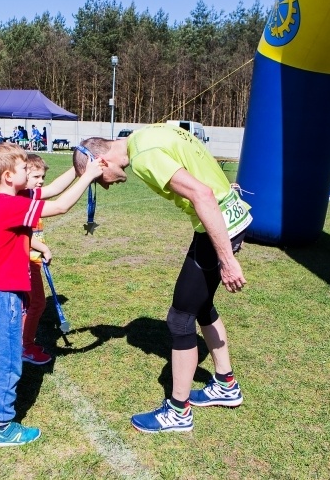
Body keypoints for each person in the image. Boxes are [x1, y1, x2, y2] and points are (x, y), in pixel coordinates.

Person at [73, 124, 250, 433]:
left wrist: (227, 258)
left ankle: (179, 412)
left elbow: (202, 193)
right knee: (201, 306)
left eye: (99, 179)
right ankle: (225, 384)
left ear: (102, 161)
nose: (107, 185)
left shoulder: (143, 156)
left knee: (180, 319)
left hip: (216, 225)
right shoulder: (151, 133)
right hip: (224, 219)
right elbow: (201, 164)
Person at [0, 142, 104, 447]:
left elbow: (50, 191)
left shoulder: (13, 197)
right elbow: (61, 205)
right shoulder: (13, 206)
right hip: (4, 296)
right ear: (9, 175)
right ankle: (2, 427)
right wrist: (88, 178)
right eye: (25, 168)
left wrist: (79, 168)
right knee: (9, 362)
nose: (31, 171)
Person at [22, 154, 78, 365]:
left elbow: (54, 188)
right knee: (36, 303)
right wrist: (43, 248)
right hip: (27, 261)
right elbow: (23, 236)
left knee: (29, 303)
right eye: (36, 176)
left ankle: (22, 341)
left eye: (43, 176)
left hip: (32, 259)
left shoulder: (28, 194)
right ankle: (25, 346)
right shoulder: (20, 199)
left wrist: (78, 168)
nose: (41, 180)